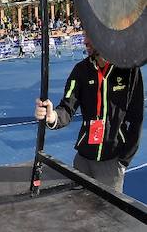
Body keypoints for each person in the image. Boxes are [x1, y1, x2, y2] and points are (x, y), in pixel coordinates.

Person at [35, 34, 143, 192]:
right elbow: (66, 108)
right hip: (83, 160)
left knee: (108, 214)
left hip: (112, 161)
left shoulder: (129, 70)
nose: (85, 41)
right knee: (79, 210)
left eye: (91, 36)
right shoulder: (80, 70)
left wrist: (124, 160)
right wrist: (51, 116)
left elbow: (136, 118)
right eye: (86, 36)